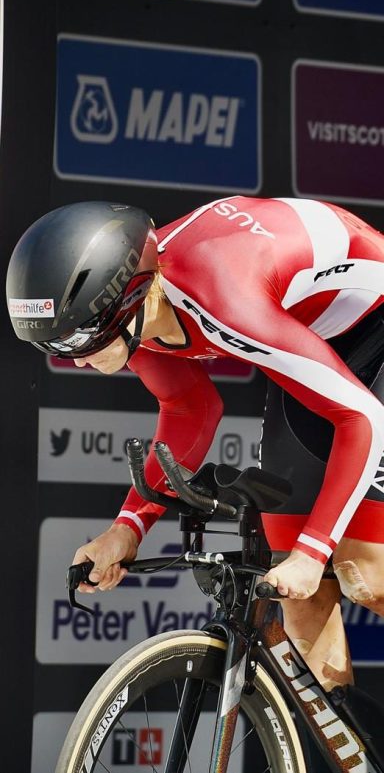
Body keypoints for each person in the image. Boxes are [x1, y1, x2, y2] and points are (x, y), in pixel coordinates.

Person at [7, 196, 384, 692]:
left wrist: (315, 554)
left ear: (127, 303)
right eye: (55, 347)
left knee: (366, 574)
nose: (75, 361)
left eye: (78, 343)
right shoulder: (139, 308)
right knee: (295, 592)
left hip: (373, 321)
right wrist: (128, 528)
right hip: (312, 329)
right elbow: (190, 409)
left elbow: (363, 418)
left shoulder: (221, 296)